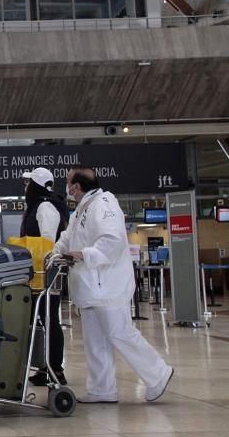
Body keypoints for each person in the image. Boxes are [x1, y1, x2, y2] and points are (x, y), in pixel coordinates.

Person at [53, 166, 174, 403]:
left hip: (107, 287)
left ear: (76, 187)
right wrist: (55, 251)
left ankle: (159, 373)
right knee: (95, 342)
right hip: (89, 289)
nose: (66, 188)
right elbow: (68, 237)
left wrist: (84, 255)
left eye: (68, 183)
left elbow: (113, 239)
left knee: (120, 333)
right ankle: (102, 389)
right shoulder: (80, 210)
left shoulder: (104, 203)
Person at [19, 167, 70, 386]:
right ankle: (43, 366)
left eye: (28, 183)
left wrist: (41, 266)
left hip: (45, 272)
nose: (25, 187)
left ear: (37, 185)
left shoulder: (46, 207)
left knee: (49, 320)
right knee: (38, 320)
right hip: (38, 274)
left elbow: (48, 241)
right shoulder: (37, 205)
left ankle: (56, 369)